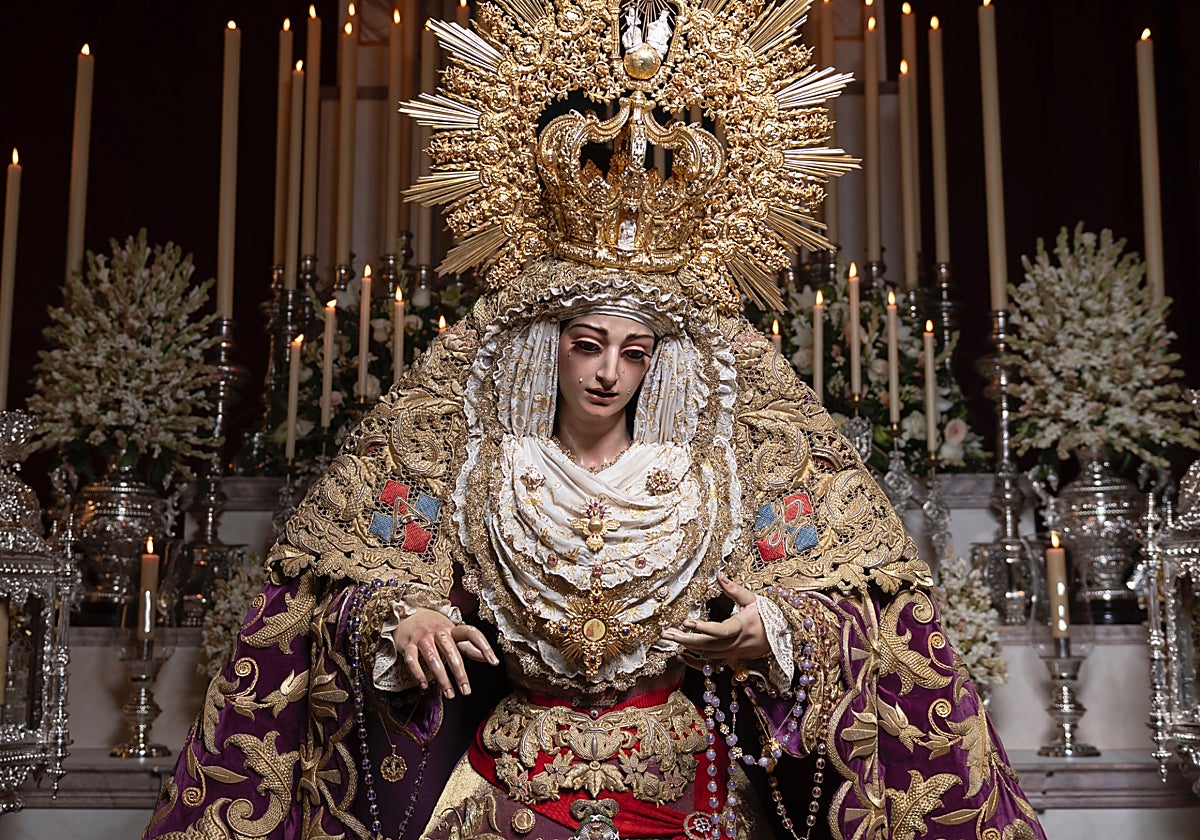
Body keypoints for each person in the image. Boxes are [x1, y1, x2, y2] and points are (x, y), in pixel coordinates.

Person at [142, 1, 1047, 838]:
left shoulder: (720, 460)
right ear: (549, 345)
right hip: (505, 791)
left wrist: (767, 632)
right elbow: (334, 591)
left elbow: (862, 613)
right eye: (587, 344)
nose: (610, 372)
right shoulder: (469, 450)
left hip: (689, 790)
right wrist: (401, 619)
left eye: (636, 350)